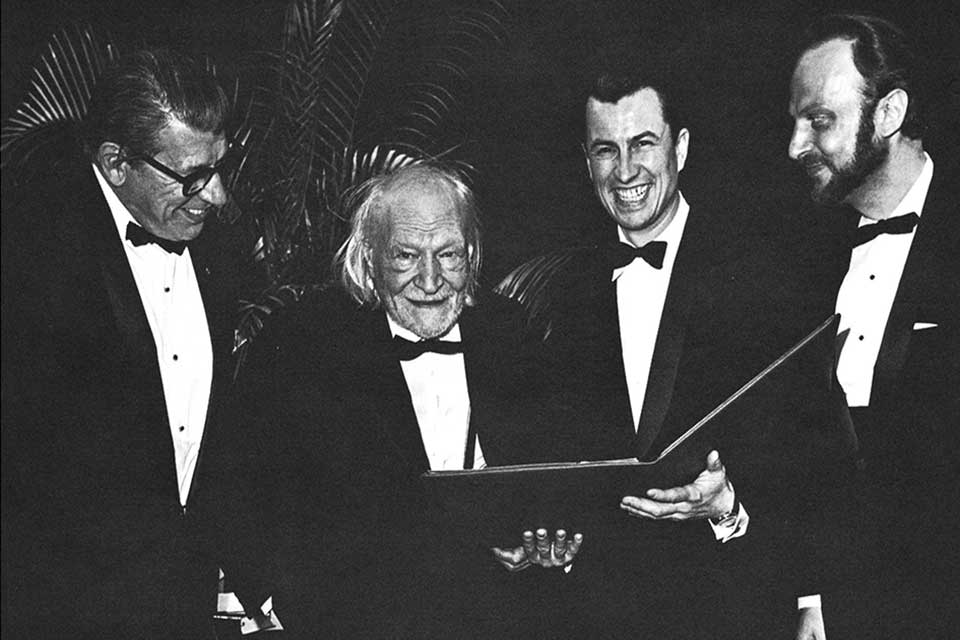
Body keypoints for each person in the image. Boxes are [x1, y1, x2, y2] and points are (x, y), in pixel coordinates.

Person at [502, 53, 855, 638]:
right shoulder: (558, 301)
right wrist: (551, 546)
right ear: (585, 162)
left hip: (738, 606)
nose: (625, 170)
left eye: (643, 143)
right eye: (605, 150)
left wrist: (805, 594)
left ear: (681, 148)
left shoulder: (763, 277)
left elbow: (818, 458)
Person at [242, 162, 578, 638]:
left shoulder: (511, 333)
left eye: (448, 255)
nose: (429, 280)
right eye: (405, 256)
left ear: (472, 253)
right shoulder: (304, 343)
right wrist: (278, 610)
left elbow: (552, 476)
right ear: (368, 256)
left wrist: (541, 538)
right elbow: (244, 490)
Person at [1, 49, 269, 638]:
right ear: (117, 163)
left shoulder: (217, 249)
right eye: (194, 177)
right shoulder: (29, 255)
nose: (218, 195)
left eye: (220, 166)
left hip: (181, 598)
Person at [786, 12, 960, 640]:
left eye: (820, 120)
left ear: (888, 114)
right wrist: (811, 599)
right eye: (795, 121)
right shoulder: (803, 260)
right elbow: (807, 454)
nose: (795, 145)